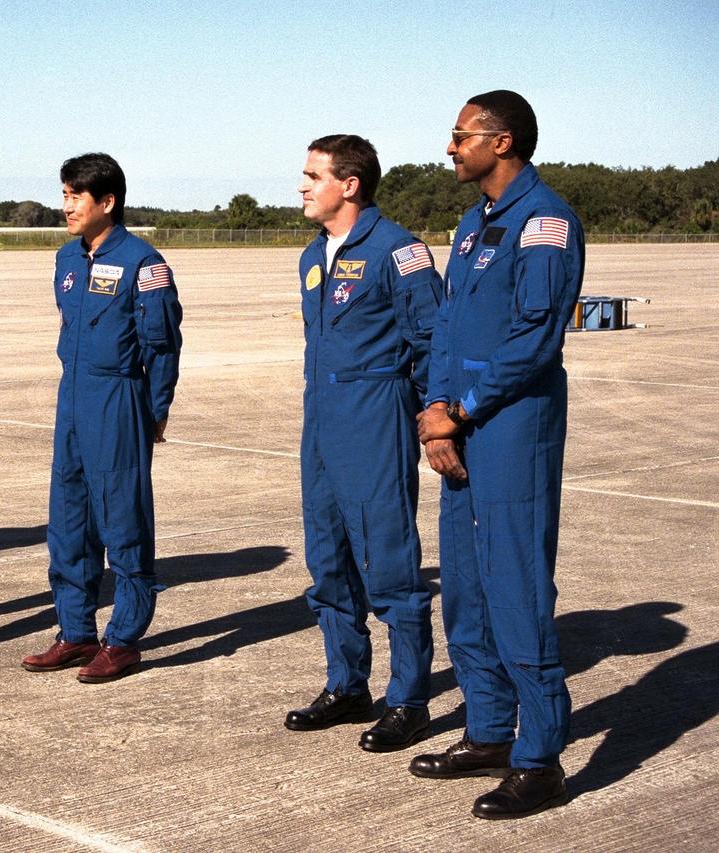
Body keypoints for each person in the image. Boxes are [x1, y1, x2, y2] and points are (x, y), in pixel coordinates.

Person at [412, 90, 583, 820]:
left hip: (513, 425)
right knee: (467, 586)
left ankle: (539, 756)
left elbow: (535, 338)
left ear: (502, 142)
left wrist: (465, 406)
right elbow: (449, 325)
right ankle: (488, 730)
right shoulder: (470, 224)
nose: (450, 147)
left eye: (460, 136)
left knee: (514, 585)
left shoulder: (545, 222)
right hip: (462, 423)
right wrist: (436, 412)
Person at [282, 136, 443, 751]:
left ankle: (409, 698)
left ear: (349, 185)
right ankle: (347, 685)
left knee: (390, 562)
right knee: (328, 562)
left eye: (312, 175)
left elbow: (432, 342)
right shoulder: (312, 255)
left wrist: (435, 419)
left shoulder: (399, 252)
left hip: (375, 419)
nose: (301, 185)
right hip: (320, 420)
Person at [21, 153, 183, 683]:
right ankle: (75, 631)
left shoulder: (144, 262)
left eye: (74, 196)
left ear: (106, 202)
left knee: (122, 519)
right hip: (73, 396)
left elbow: (161, 346)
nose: (65, 205)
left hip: (118, 399)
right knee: (68, 519)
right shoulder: (68, 259)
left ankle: (125, 638)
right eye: (64, 194)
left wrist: (154, 412)